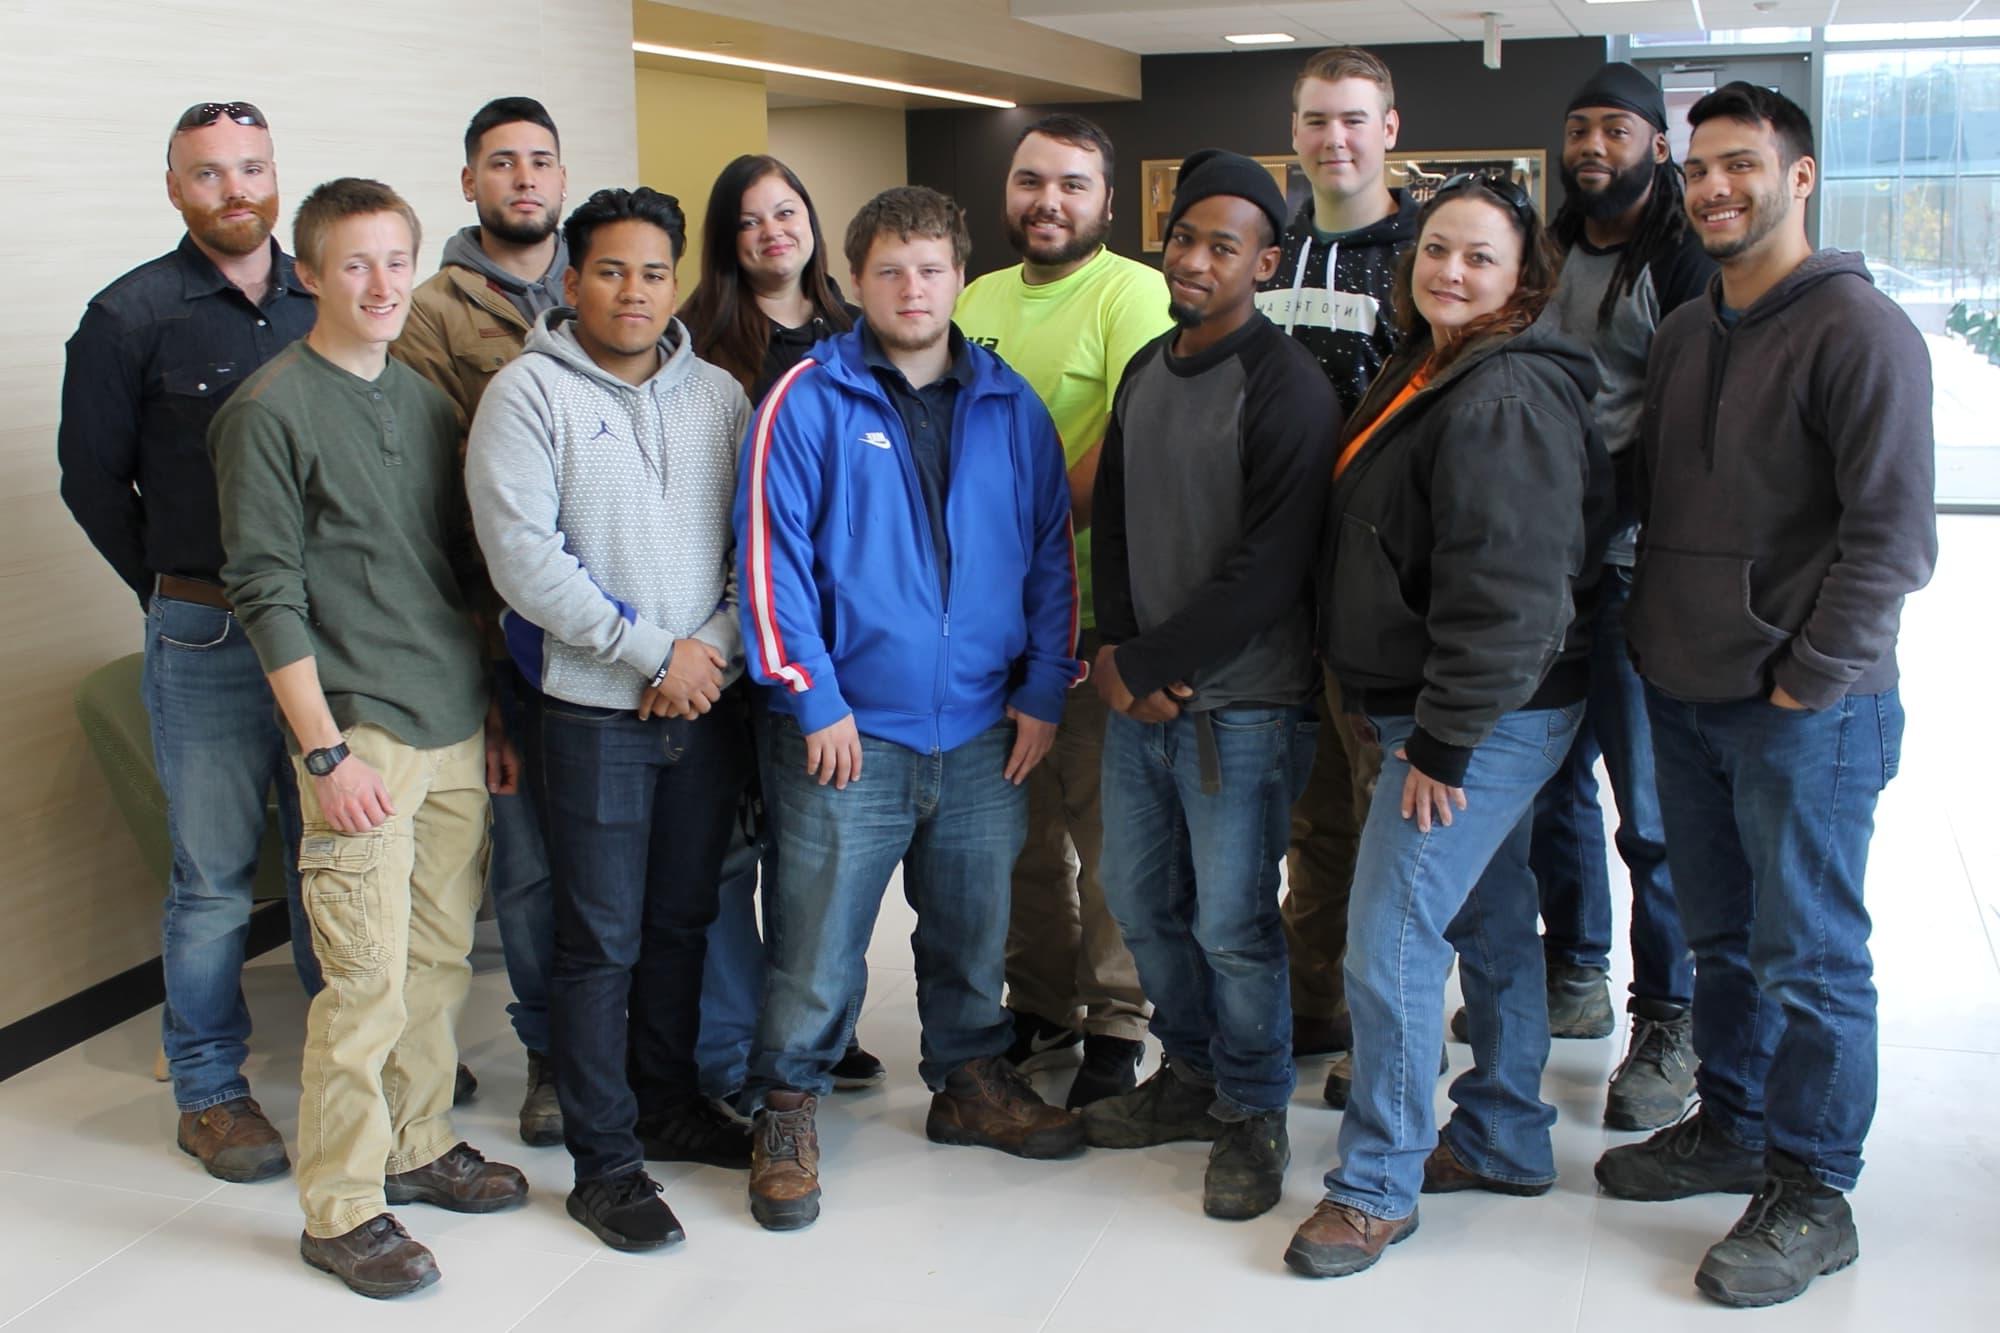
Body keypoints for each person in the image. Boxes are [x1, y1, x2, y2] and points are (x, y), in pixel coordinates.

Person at [1595, 82, 1936, 1310]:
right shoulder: (1689, 327)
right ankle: (1729, 1124)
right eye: (1697, 169)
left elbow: (1891, 541)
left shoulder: (1858, 330)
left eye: (1739, 165)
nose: (1711, 188)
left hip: (1804, 713)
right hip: (1681, 692)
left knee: (1808, 958)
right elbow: (1645, 493)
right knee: (1718, 939)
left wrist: (1806, 679)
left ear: (1798, 178)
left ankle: (1811, 1189)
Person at [735, 186, 1084, 1232]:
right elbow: (769, 561)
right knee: (816, 941)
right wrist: (814, 698)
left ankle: (969, 1080)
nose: (911, 287)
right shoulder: (805, 397)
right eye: (888, 269)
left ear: (958, 278)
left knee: (973, 928)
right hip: (849, 733)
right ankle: (787, 1103)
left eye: (930, 268)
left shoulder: (1010, 405)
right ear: (855, 281)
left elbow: (1048, 556)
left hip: (981, 729)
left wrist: (1039, 688)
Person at [1283, 173, 1609, 1280]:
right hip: (1453, 707)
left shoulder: (1501, 392)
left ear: (1523, 276)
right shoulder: (1432, 362)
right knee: (1486, 921)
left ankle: (1375, 1184)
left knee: (1389, 940)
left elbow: (1511, 594)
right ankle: (1506, 1134)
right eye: (1434, 251)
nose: (1449, 272)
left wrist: (1444, 740)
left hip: (1476, 716)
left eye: (1477, 256)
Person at [211, 178, 527, 1299]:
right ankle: (342, 1205)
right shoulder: (267, 410)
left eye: (397, 259)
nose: (383, 283)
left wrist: (488, 708)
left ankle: (418, 1142)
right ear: (307, 274)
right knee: (363, 983)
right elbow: (266, 590)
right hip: (360, 736)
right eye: (355, 263)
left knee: (438, 966)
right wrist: (324, 752)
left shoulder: (426, 402)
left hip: (450, 718)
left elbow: (454, 570)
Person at [468, 186, 756, 1252]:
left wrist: (707, 656)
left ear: (674, 278)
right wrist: (652, 653)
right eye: (608, 271)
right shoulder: (525, 394)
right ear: (571, 280)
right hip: (591, 710)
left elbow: (749, 548)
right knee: (599, 940)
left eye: (650, 271)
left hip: (704, 703)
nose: (631, 291)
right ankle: (606, 1162)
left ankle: (669, 1104)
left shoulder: (719, 395)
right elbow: (524, 562)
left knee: (683, 919)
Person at [57, 100, 318, 1185]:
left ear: (275, 175)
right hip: (204, 631)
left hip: (324, 633)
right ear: (175, 190)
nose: (234, 191)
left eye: (251, 168)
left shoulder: (326, 298)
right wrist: (168, 591)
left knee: (331, 860)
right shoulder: (129, 316)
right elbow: (89, 481)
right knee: (212, 880)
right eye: (208, 174)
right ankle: (210, 1088)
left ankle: (358, 1057)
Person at [1080, 150, 1334, 1220]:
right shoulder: (1146, 368)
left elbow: (1270, 568)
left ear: (1263, 262)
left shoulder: (1287, 387)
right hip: (1145, 699)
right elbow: (1125, 529)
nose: (1191, 259)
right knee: (1141, 899)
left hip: (1244, 705)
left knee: (1232, 921)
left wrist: (1149, 663)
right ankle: (1186, 1073)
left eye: (1220, 246)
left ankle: (1251, 1106)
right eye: (1181, 238)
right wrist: (1114, 647)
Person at [1497, 63, 1715, 1129]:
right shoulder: (1544, 255)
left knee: (1652, 813)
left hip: (1631, 566)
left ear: (1654, 147)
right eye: (1578, 126)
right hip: (1544, 569)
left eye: (1615, 129)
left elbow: (1680, 425)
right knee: (1547, 787)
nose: (1592, 144)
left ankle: (1664, 1017)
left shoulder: (1679, 264)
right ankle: (1572, 969)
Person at [955, 113, 1169, 1108]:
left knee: (1105, 826)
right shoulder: (976, 296)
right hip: (980, 620)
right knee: (1018, 827)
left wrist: (1026, 533)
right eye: (1031, 179)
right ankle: (1037, 998)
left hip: (1083, 613)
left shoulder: (1132, 292)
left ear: (1106, 202)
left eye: (1072, 184)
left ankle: (1115, 1020)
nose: (1048, 200)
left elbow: (1130, 439)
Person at [675, 153, 882, 1100]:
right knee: (730, 856)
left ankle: (820, 1033)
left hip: (831, 637)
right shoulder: (699, 343)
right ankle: (736, 1054)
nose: (771, 232)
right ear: (729, 240)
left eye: (786, 211)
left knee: (819, 859)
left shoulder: (860, 329)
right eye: (750, 220)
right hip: (728, 627)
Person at [391, 94, 570, 1148]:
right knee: (532, 859)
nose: (522, 179)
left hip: (622, 625)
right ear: (469, 182)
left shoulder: (605, 282)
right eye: (500, 163)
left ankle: (642, 1040)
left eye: (539, 161)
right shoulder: (430, 312)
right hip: (500, 625)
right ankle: (549, 1049)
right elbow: (429, 494)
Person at [1253, 46, 1420, 1092]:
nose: (1334, 140)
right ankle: (1313, 998)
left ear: (1389, 129)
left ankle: (1383, 1033)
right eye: (1316, 120)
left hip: (1380, 590)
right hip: (1281, 590)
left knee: (1383, 822)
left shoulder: (1422, 251)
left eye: (1354, 120)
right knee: (1313, 815)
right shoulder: (1274, 247)